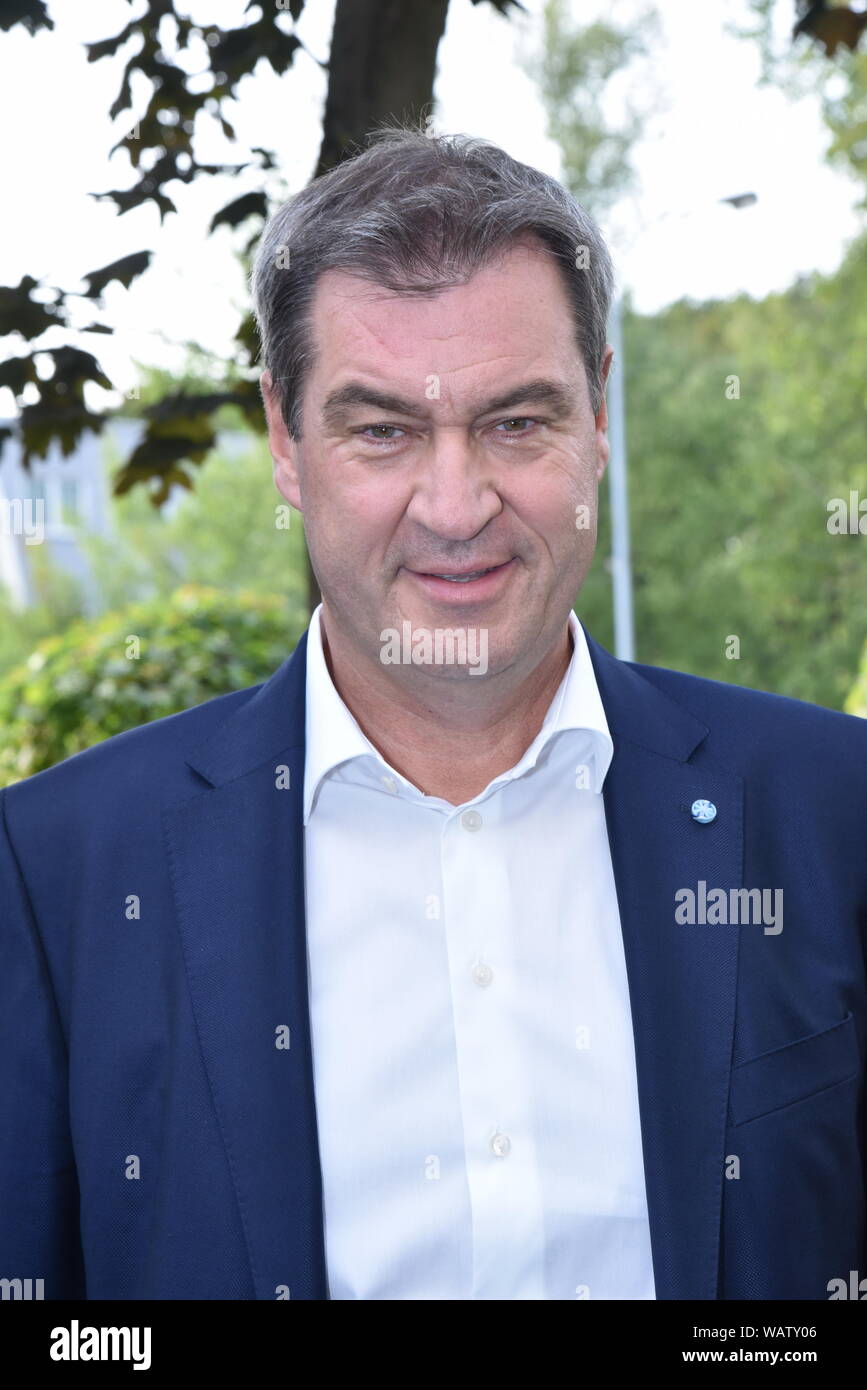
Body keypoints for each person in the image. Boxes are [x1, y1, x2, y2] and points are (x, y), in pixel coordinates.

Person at [1, 126, 864, 1302]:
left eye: (517, 422)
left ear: (599, 415)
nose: (456, 507)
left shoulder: (834, 809)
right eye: (383, 430)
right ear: (285, 443)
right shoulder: (57, 874)